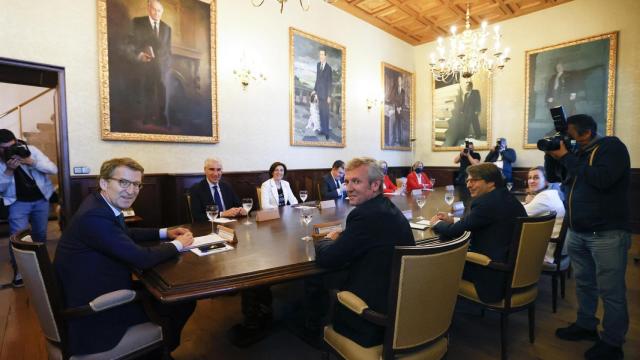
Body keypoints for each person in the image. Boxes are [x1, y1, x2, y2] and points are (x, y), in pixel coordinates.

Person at [53, 158, 195, 356]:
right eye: (124, 182)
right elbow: (141, 259)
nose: (131, 191)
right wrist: (179, 244)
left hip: (92, 290)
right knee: (180, 301)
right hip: (96, 312)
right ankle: (159, 352)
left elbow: (125, 233)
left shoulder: (98, 204)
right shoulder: (94, 217)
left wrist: (165, 232)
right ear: (104, 183)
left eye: (137, 184)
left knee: (167, 294)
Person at [545, 114, 630, 360]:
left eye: (570, 136)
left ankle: (613, 343)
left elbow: (601, 180)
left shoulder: (611, 147)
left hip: (607, 233)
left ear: (587, 133)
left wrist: (567, 157)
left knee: (611, 291)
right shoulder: (578, 155)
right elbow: (554, 177)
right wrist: (551, 155)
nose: (567, 141)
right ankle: (586, 324)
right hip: (577, 231)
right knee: (584, 283)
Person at [313, 157, 415, 347]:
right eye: (347, 181)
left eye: (356, 181)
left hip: (372, 319)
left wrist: (327, 239)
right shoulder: (387, 208)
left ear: (375, 185)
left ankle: (310, 331)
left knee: (315, 279)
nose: (348, 188)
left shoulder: (364, 215)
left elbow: (327, 258)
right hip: (401, 302)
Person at [431, 163, 526, 303]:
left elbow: (455, 231)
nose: (468, 185)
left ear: (491, 182)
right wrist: (453, 219)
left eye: (474, 180)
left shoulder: (486, 203)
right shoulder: (506, 197)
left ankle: (438, 310)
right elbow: (480, 222)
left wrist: (436, 223)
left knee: (436, 263)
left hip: (491, 272)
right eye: (467, 181)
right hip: (513, 268)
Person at [0, 129, 57, 288]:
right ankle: (20, 271)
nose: (10, 150)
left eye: (13, 145)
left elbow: (53, 169)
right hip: (17, 202)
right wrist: (8, 170)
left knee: (40, 234)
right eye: (4, 148)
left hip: (41, 200)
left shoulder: (30, 151)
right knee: (18, 237)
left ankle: (41, 266)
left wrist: (32, 162)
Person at [129, 0, 172, 126]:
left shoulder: (167, 28)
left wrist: (167, 65)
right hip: (143, 65)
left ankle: (162, 118)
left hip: (161, 67)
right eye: (154, 9)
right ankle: (146, 117)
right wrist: (139, 55)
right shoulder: (137, 22)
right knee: (147, 90)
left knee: (162, 91)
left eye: (159, 11)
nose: (157, 13)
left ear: (162, 12)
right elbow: (131, 42)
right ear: (148, 8)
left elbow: (168, 50)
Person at [523, 166, 565, 263]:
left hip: (546, 248)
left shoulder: (545, 197)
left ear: (546, 181)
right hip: (551, 243)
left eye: (536, 177)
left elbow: (519, 214)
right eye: (529, 178)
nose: (531, 181)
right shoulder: (551, 193)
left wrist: (530, 202)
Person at [188, 157, 246, 222]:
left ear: (222, 171)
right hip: (208, 227)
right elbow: (198, 216)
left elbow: (238, 204)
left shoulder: (226, 186)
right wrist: (222, 214)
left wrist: (241, 210)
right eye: (212, 169)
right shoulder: (196, 189)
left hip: (230, 225)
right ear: (205, 170)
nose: (216, 174)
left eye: (218, 170)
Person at [311, 49, 332, 140]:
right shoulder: (318, 65)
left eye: (323, 54)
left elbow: (330, 83)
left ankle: (327, 132)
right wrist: (314, 90)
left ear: (325, 56)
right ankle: (323, 130)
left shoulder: (329, 68)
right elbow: (317, 79)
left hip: (326, 95)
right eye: (320, 54)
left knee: (326, 113)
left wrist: (329, 96)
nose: (321, 56)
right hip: (319, 94)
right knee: (321, 112)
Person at [388, 74, 406, 146]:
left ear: (402, 81)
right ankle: (391, 143)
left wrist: (400, 107)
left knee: (400, 127)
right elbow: (391, 100)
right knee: (392, 128)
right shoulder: (393, 89)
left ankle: (400, 142)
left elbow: (403, 102)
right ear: (397, 81)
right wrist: (397, 107)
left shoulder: (403, 91)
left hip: (399, 111)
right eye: (398, 80)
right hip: (393, 110)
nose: (399, 82)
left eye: (400, 80)